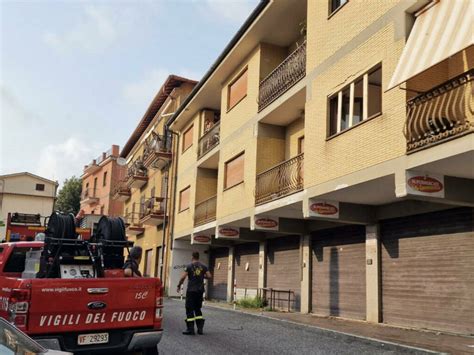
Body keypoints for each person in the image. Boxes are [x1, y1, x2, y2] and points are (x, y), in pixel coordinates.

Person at [177, 251, 211, 335]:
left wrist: (179, 285)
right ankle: (200, 329)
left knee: (189, 309)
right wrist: (202, 276)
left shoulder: (189, 266)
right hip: (200, 291)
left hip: (191, 291)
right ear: (198, 257)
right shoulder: (204, 266)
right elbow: (209, 276)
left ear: (192, 257)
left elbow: (183, 277)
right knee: (197, 309)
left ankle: (190, 329)